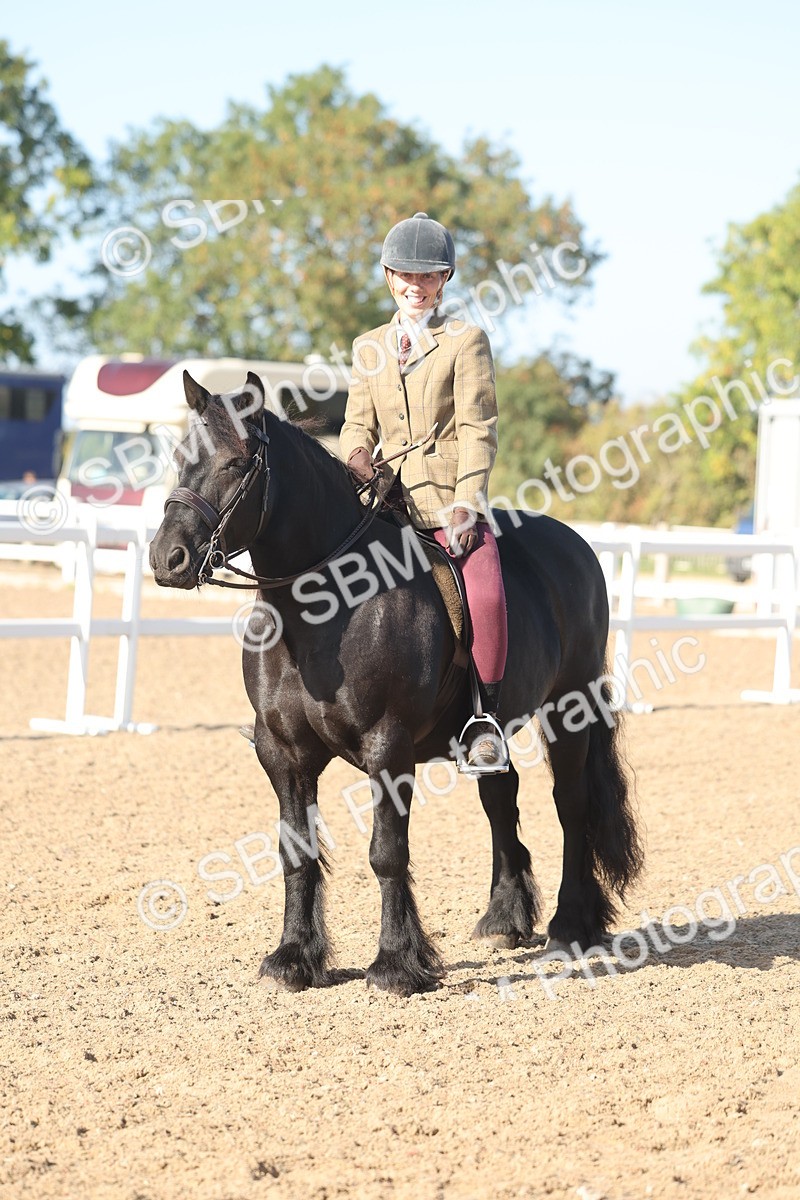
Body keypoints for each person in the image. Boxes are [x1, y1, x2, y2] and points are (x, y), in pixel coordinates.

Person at [340, 212, 509, 774]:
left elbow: (478, 428)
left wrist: (467, 501)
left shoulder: (465, 341)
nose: (417, 285)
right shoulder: (368, 346)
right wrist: (357, 456)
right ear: (389, 277)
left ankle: (484, 717)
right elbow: (356, 424)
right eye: (406, 275)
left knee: (483, 592)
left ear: (445, 280)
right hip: (385, 506)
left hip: (446, 502)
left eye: (429, 275)